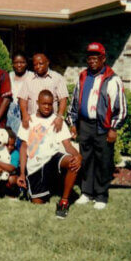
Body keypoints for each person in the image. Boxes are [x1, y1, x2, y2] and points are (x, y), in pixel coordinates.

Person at [68, 42, 127, 210]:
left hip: (104, 126)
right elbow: (75, 101)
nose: (92, 61)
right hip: (85, 125)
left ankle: (101, 195)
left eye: (96, 58)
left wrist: (113, 128)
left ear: (103, 59)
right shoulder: (83, 76)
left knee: (103, 161)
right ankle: (86, 192)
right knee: (86, 160)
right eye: (90, 58)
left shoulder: (113, 79)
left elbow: (121, 108)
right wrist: (73, 123)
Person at [17, 90, 82, 219]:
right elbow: (24, 147)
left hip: (53, 159)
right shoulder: (29, 120)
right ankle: (38, 189)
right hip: (35, 166)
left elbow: (67, 145)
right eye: (44, 104)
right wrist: (22, 173)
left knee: (72, 162)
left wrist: (78, 156)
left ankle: (64, 201)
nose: (47, 107)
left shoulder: (57, 121)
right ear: (37, 103)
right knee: (38, 204)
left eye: (50, 104)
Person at [18, 53, 68, 133]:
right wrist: (24, 114)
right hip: (32, 122)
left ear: (47, 62)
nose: (38, 67)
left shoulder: (57, 78)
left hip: (51, 122)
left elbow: (63, 99)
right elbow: (23, 99)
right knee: (32, 145)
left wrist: (60, 117)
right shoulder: (28, 79)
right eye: (35, 65)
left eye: (40, 63)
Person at [6, 52, 33, 136]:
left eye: (22, 62)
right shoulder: (9, 76)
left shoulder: (31, 77)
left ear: (27, 63)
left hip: (26, 113)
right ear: (12, 64)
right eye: (16, 62)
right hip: (10, 113)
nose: (19, 65)